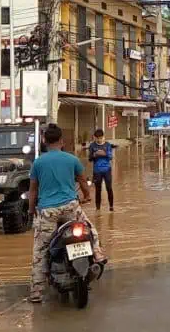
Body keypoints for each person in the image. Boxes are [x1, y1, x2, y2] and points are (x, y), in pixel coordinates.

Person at [28, 124, 107, 303]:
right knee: (90, 229)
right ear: (62, 141)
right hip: (71, 208)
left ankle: (36, 292)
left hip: (47, 212)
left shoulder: (38, 163)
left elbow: (33, 190)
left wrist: (31, 210)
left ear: (44, 141)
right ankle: (98, 253)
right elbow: (83, 182)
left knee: (40, 250)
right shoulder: (72, 159)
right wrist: (86, 196)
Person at [87, 129, 115, 211]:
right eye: (97, 138)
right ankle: (98, 209)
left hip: (107, 170)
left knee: (109, 188)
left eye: (100, 138)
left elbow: (110, 157)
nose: (99, 140)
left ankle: (111, 207)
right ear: (94, 138)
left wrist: (104, 153)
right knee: (98, 190)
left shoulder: (107, 145)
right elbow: (90, 159)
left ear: (103, 137)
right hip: (97, 171)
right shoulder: (92, 146)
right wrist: (95, 154)